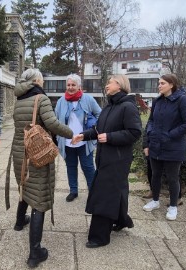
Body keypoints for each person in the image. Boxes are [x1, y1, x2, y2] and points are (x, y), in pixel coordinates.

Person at [10, 68, 73, 268]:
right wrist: (71, 133)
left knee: (25, 186)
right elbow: (52, 124)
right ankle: (35, 252)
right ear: (37, 80)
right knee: (39, 197)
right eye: (42, 79)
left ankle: (20, 222)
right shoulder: (40, 98)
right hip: (37, 153)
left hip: (20, 152)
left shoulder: (19, 100)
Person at [72, 74, 142, 248]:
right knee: (117, 190)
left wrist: (110, 137)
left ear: (119, 85)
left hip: (117, 160)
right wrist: (83, 136)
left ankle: (99, 237)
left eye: (110, 82)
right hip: (105, 158)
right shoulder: (109, 106)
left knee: (104, 195)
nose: (106, 85)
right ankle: (121, 220)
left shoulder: (128, 107)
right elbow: (97, 130)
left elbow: (135, 132)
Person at [143, 74, 186, 221]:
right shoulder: (157, 101)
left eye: (162, 83)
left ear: (171, 84)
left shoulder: (182, 100)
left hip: (173, 146)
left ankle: (173, 206)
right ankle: (155, 201)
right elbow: (151, 121)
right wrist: (148, 139)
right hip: (155, 145)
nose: (159, 86)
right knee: (155, 175)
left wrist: (169, 135)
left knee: (173, 178)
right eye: (159, 83)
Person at [55, 74, 101, 202]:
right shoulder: (61, 101)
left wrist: (93, 129)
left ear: (79, 86)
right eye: (68, 85)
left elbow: (100, 115)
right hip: (67, 142)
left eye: (73, 85)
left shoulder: (88, 99)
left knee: (88, 167)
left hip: (84, 142)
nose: (70, 87)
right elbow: (55, 120)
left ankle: (93, 192)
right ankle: (73, 191)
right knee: (71, 166)